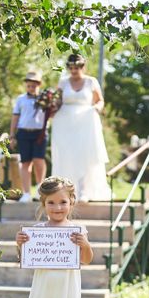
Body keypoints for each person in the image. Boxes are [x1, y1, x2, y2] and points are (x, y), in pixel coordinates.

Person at [51, 54, 112, 201]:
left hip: (86, 122)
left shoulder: (91, 81)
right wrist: (50, 107)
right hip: (64, 123)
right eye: (71, 68)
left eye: (76, 68)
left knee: (85, 154)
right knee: (67, 155)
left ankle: (84, 190)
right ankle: (65, 190)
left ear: (83, 67)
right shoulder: (63, 82)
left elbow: (100, 101)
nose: (73, 71)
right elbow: (57, 101)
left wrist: (97, 107)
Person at [10, 71, 47, 202]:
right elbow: (15, 117)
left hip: (39, 133)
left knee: (38, 160)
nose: (31, 88)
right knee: (25, 162)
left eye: (34, 85)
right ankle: (26, 193)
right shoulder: (21, 99)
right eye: (29, 85)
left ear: (39, 85)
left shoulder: (45, 98)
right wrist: (12, 135)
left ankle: (40, 189)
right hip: (24, 132)